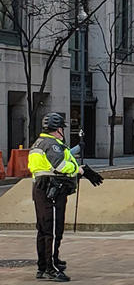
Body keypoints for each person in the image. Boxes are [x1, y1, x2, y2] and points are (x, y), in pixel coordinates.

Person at [28, 112, 104, 281]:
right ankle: (51, 268)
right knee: (53, 230)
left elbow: (59, 160)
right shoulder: (52, 144)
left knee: (43, 229)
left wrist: (79, 165)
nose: (63, 131)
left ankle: (44, 266)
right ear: (57, 129)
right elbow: (61, 165)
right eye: (62, 128)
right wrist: (79, 170)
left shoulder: (40, 143)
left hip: (42, 189)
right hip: (52, 190)